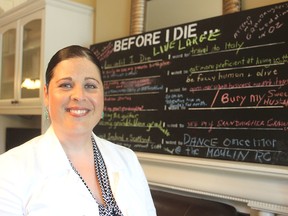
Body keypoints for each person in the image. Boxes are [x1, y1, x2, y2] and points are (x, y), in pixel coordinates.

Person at [0, 45, 156, 216]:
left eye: (90, 86)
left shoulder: (128, 159)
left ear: (103, 95)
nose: (79, 96)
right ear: (46, 95)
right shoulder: (9, 169)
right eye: (66, 85)